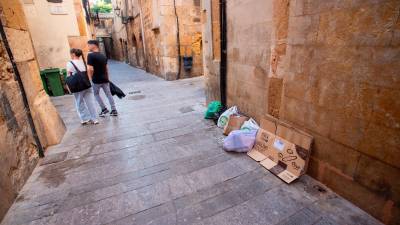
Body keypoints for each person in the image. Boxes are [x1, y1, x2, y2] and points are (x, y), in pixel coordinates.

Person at [66, 48, 99, 125]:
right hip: (87, 84)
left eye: (71, 54)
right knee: (91, 102)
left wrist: (68, 85)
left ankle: (85, 119)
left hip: (78, 85)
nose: (70, 55)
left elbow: (68, 75)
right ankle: (95, 119)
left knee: (79, 102)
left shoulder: (70, 63)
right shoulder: (84, 62)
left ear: (73, 54)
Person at [87, 40, 118, 117]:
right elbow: (106, 68)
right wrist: (107, 78)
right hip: (105, 79)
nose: (88, 47)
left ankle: (104, 109)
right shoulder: (103, 56)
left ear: (93, 45)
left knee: (96, 94)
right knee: (108, 94)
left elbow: (90, 69)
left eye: (88, 45)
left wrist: (91, 79)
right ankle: (114, 110)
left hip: (96, 80)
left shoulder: (90, 55)